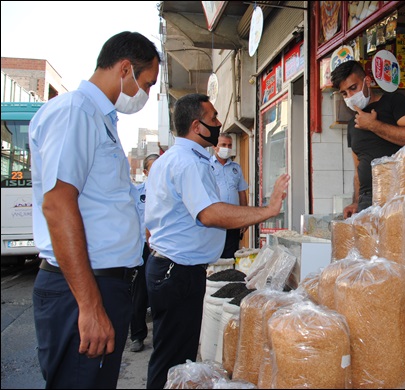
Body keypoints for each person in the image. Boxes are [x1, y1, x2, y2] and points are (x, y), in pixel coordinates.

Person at [29, 31, 160, 389]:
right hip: (84, 290)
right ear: (125, 68)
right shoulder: (76, 112)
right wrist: (89, 306)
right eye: (146, 83)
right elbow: (57, 204)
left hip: (103, 285)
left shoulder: (99, 118)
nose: (145, 95)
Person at [144, 93, 290, 389]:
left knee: (172, 353)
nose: (219, 124)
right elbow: (210, 214)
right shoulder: (188, 163)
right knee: (173, 358)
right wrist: (269, 210)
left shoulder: (173, 159)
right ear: (197, 126)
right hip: (178, 271)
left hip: (170, 267)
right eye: (213, 119)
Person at [330, 60, 405, 217]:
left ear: (367, 81)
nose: (350, 97)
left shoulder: (394, 101)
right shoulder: (353, 124)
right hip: (367, 201)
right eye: (345, 93)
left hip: (400, 194)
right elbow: (358, 169)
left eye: (353, 88)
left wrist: (374, 125)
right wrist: (356, 202)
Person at [130, 154, 159, 353]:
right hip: (142, 248)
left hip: (162, 249)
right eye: (154, 168)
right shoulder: (137, 193)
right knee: (139, 294)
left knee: (159, 294)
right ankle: (137, 336)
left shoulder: (170, 191)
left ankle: (160, 335)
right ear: (146, 172)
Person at [211, 133, 249, 259]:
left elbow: (242, 192)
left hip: (233, 219)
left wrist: (245, 217)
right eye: (223, 145)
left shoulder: (236, 168)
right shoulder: (207, 166)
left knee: (231, 254)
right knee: (215, 255)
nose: (226, 148)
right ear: (214, 147)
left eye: (229, 145)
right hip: (215, 220)